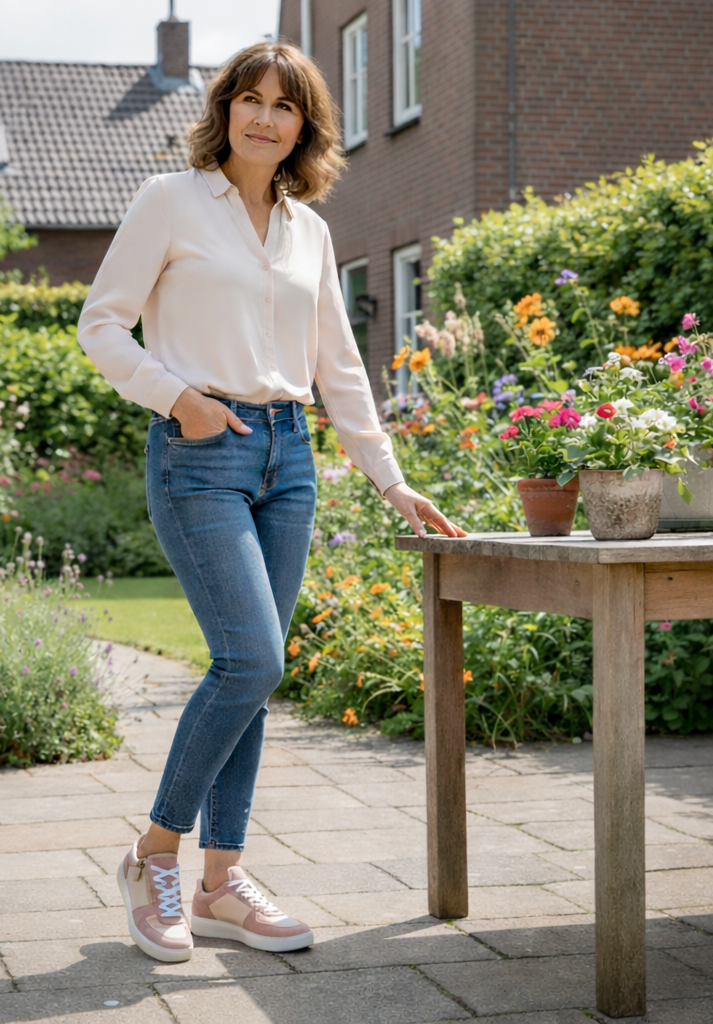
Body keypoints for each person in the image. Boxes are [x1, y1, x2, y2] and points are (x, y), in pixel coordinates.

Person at [77, 41, 464, 964]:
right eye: (249, 99)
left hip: (290, 459)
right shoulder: (169, 200)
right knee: (252, 659)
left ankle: (221, 883)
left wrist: (391, 478)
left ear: (304, 127)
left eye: (283, 106)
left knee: (253, 677)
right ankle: (154, 855)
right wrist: (180, 399)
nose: (264, 117)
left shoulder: (309, 231)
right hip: (200, 452)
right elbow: (101, 324)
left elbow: (339, 366)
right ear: (225, 110)